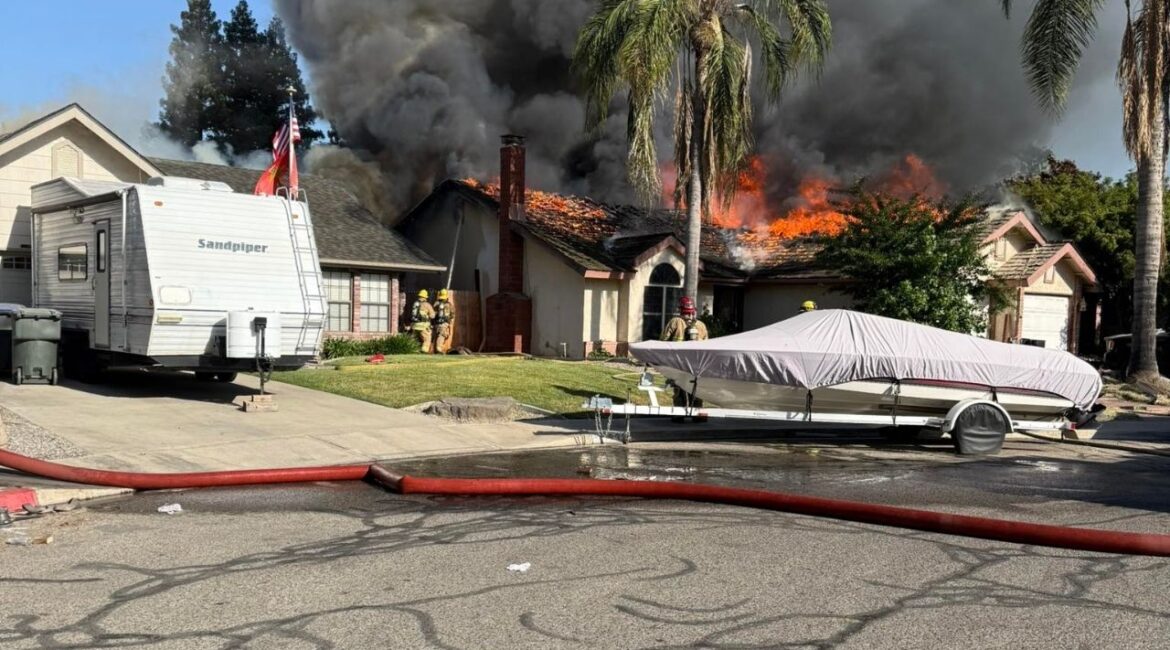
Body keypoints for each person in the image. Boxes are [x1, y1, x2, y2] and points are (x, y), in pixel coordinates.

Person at [661, 296, 709, 422]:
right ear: (694, 310)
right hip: (696, 364)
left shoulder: (675, 322)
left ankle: (679, 414)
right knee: (697, 389)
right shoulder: (701, 325)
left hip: (678, 363)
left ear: (680, 309)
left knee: (679, 388)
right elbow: (707, 346)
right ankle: (698, 415)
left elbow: (663, 341)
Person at [433, 288, 456, 354]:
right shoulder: (449, 305)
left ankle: (436, 349)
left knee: (437, 335)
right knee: (442, 335)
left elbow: (433, 313)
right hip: (444, 323)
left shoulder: (436, 304)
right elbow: (452, 314)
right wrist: (450, 323)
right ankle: (438, 349)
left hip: (437, 323)